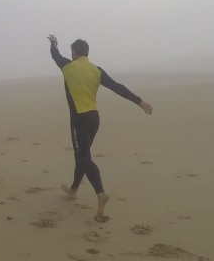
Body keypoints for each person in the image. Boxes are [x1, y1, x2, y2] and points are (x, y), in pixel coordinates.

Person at [47, 34, 153, 222]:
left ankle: (101, 193)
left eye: (72, 52)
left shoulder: (67, 66)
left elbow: (55, 55)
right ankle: (73, 190)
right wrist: (139, 101)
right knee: (81, 155)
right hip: (94, 119)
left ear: (74, 53)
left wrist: (54, 42)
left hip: (79, 120)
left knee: (84, 157)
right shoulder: (96, 70)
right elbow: (116, 87)